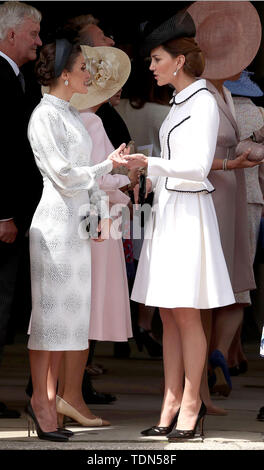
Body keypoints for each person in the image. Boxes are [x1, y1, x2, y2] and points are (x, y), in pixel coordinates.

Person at [123, 10, 235, 441]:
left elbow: (197, 165)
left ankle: (191, 404)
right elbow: (175, 164)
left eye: (156, 59)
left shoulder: (203, 101)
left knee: (186, 315)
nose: (150, 67)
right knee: (169, 314)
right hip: (170, 213)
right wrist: (143, 172)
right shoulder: (179, 102)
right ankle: (170, 403)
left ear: (178, 61)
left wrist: (149, 162)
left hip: (188, 216)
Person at [26, 39, 129, 441]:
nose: (90, 74)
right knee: (49, 321)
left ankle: (50, 400)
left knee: (69, 323)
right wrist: (109, 163)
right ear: (64, 74)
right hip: (53, 227)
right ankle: (41, 400)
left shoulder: (69, 113)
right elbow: (65, 175)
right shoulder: (43, 116)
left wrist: (98, 218)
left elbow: (81, 180)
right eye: (83, 67)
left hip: (75, 226)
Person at [54, 45, 135, 426]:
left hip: (76, 220)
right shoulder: (91, 122)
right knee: (85, 315)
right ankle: (70, 396)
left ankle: (57, 393)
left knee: (70, 314)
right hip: (96, 222)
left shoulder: (65, 116)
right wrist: (129, 176)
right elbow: (100, 178)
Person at [187, 1, 262, 409]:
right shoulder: (205, 96)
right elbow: (199, 153)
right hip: (213, 196)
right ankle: (196, 385)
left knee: (231, 285)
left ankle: (199, 386)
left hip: (227, 193)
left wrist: (251, 148)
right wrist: (236, 158)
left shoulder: (220, 95)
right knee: (211, 292)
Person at [0, 1, 42, 419]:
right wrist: (3, 215)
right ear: (11, 35)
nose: (38, 41)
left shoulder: (19, 77)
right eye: (32, 34)